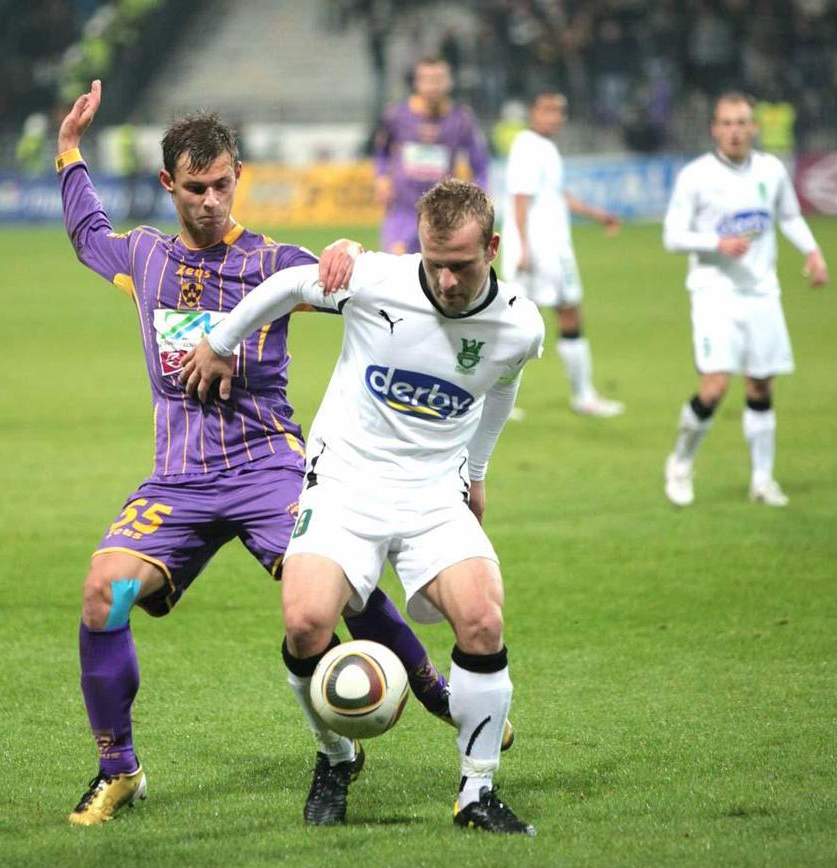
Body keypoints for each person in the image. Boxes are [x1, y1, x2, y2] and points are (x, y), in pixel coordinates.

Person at [56, 81, 458, 826]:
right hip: (177, 480)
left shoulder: (278, 262)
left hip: (268, 466)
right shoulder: (144, 258)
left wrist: (348, 251)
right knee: (101, 593)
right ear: (168, 184)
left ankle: (433, 688)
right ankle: (119, 770)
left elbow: (367, 288)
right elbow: (87, 233)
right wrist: (69, 152)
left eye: (221, 184)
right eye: (194, 188)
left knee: (337, 587)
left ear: (237, 176)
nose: (210, 200)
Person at [181, 179, 544, 834]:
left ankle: (476, 793)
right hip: (345, 482)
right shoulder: (376, 279)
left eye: (461, 265)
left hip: (433, 493)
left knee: (483, 620)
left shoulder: (518, 326)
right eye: (434, 263)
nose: (447, 280)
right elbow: (291, 285)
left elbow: (499, 389)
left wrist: (478, 474)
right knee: (304, 623)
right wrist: (222, 341)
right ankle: (336, 755)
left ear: (491, 248)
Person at [662, 91, 828, 507]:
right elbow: (672, 235)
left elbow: (788, 215)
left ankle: (762, 479)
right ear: (714, 129)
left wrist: (812, 251)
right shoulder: (697, 175)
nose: (735, 131)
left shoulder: (771, 170)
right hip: (714, 292)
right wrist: (716, 242)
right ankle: (680, 462)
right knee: (715, 387)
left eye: (742, 123)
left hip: (762, 292)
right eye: (726, 123)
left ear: (755, 127)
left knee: (760, 384)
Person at [501, 90, 625, 417]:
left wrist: (599, 215)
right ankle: (495, 398)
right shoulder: (527, 147)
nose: (554, 116)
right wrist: (523, 249)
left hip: (553, 249)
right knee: (520, 323)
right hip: (540, 251)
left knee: (560, 315)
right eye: (547, 109)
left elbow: (559, 197)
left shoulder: (545, 148)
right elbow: (519, 199)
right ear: (532, 112)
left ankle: (582, 394)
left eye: (559, 110)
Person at [373, 56, 488, 255]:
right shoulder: (396, 116)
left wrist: (479, 196)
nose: (433, 86)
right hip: (403, 210)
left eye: (438, 79)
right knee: (396, 272)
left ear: (449, 82)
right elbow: (381, 151)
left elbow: (479, 163)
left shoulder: (461, 119)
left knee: (438, 278)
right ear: (417, 82)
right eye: (427, 79)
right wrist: (381, 177)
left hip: (443, 211)